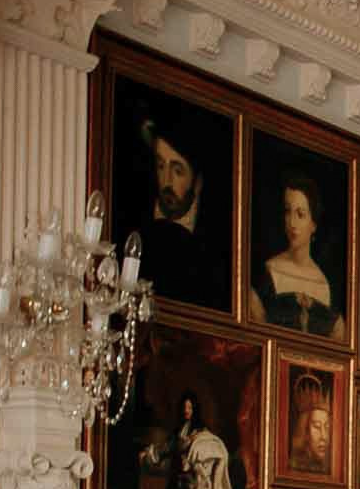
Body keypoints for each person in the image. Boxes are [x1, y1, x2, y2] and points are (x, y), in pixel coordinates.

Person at [132, 104, 227, 309]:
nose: (166, 181)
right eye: (160, 166)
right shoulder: (133, 228)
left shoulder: (214, 257)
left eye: (177, 171)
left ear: (198, 182)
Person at [249, 172, 343, 336]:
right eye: (288, 211)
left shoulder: (327, 285)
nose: (292, 223)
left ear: (313, 224)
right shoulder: (267, 273)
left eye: (300, 214)